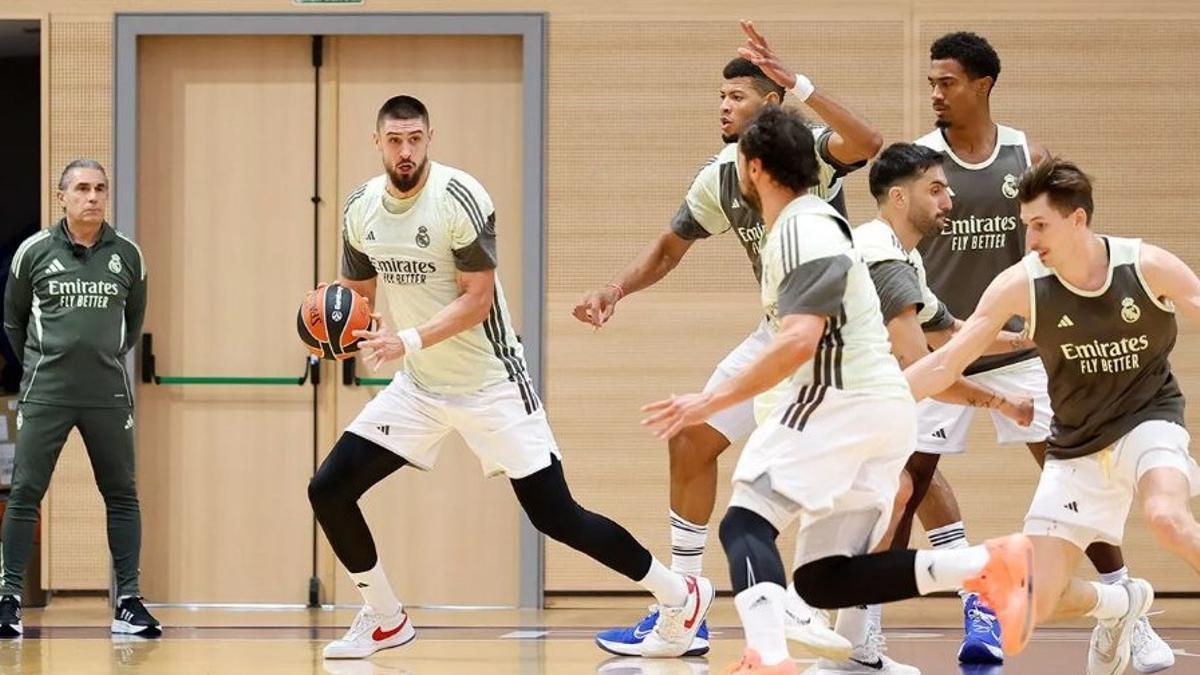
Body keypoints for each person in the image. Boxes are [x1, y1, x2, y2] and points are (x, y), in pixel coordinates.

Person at [307, 95, 712, 660]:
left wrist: (407, 339)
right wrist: (341, 324)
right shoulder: (360, 208)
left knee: (555, 516)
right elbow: (361, 293)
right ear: (377, 142)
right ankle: (383, 617)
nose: (405, 151)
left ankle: (679, 595)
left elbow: (476, 301)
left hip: (491, 382)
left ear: (430, 138)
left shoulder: (457, 198)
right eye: (395, 140)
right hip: (421, 387)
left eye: (415, 139)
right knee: (328, 489)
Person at [643, 105, 1033, 675]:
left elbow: (802, 338)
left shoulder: (802, 228)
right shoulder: (819, 228)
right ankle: (984, 565)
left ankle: (768, 657)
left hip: (837, 401)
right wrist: (999, 392)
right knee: (824, 580)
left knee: (745, 523)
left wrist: (709, 401)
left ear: (753, 168)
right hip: (883, 413)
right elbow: (943, 345)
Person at [581, 21, 882, 658]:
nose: (724, 106)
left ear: (770, 104)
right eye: (720, 97)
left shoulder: (806, 156)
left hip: (834, 342)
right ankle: (685, 607)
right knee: (692, 438)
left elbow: (868, 142)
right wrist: (615, 290)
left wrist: (797, 80)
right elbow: (670, 248)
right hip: (778, 332)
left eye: (738, 97)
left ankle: (847, 615)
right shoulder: (719, 177)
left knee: (823, 488)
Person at [910, 31, 1169, 667]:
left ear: (982, 85)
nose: (935, 93)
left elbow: (1068, 248)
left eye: (947, 82)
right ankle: (862, 632)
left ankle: (1127, 608)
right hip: (946, 344)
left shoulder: (1027, 155)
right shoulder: (920, 160)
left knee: (1071, 467)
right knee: (904, 484)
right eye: (931, 83)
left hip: (1025, 353)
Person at [0, 159, 157, 638]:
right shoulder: (33, 252)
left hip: (107, 394)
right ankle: (8, 600)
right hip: (45, 393)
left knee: (122, 494)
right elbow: (12, 322)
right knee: (25, 494)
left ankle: (128, 601)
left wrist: (99, 358)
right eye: (82, 189)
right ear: (61, 197)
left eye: (100, 189)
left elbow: (132, 323)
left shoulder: (128, 255)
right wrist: (45, 363)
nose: (92, 197)